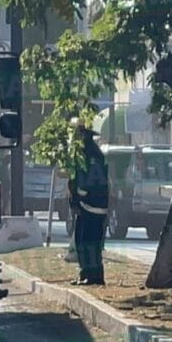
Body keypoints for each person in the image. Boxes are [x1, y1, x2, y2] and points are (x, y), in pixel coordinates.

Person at [68, 121, 110, 285]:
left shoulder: (89, 155)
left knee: (89, 241)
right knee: (83, 240)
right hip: (91, 205)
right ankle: (86, 273)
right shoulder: (92, 153)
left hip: (91, 205)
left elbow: (87, 182)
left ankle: (94, 276)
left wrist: (77, 198)